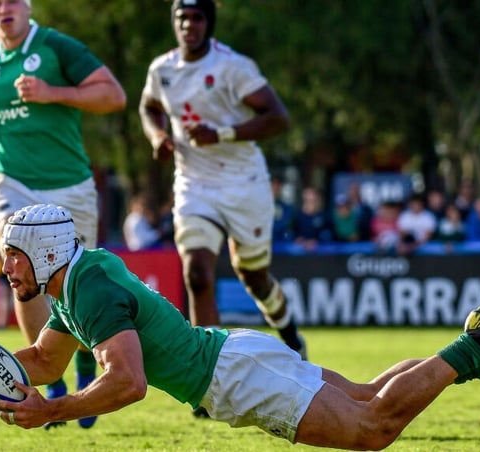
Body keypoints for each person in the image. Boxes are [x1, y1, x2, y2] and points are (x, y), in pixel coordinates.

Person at [0, 203, 480, 450]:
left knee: (374, 429)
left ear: (46, 252)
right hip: (235, 354)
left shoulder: (91, 290)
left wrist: (51, 413)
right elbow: (46, 363)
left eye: (13, 255)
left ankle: (478, 345)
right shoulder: (75, 285)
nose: (5, 268)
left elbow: (127, 383)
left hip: (232, 377)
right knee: (371, 396)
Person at [0, 0, 126, 429]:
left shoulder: (55, 47)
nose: (3, 8)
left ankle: (84, 360)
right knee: (22, 274)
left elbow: (113, 96)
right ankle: (51, 381)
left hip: (68, 183)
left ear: (27, 6)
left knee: (76, 280)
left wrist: (54, 93)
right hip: (11, 180)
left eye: (11, 1)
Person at [138, 0, 307, 413]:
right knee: (197, 273)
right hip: (195, 184)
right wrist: (158, 137)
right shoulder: (162, 69)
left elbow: (279, 117)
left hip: (243, 183)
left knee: (255, 278)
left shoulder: (233, 66)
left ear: (208, 24)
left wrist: (224, 133)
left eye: (196, 18)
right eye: (181, 18)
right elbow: (148, 107)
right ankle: (207, 376)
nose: (187, 25)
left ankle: (288, 331)